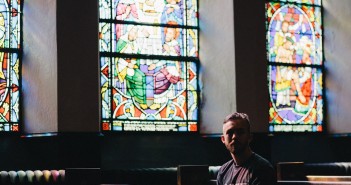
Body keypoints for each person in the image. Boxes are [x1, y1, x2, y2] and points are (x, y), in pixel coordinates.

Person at [217, 112, 276, 185]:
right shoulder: (223, 171)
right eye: (230, 132)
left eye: (240, 132)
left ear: (249, 137)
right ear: (223, 139)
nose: (234, 137)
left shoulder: (263, 169)